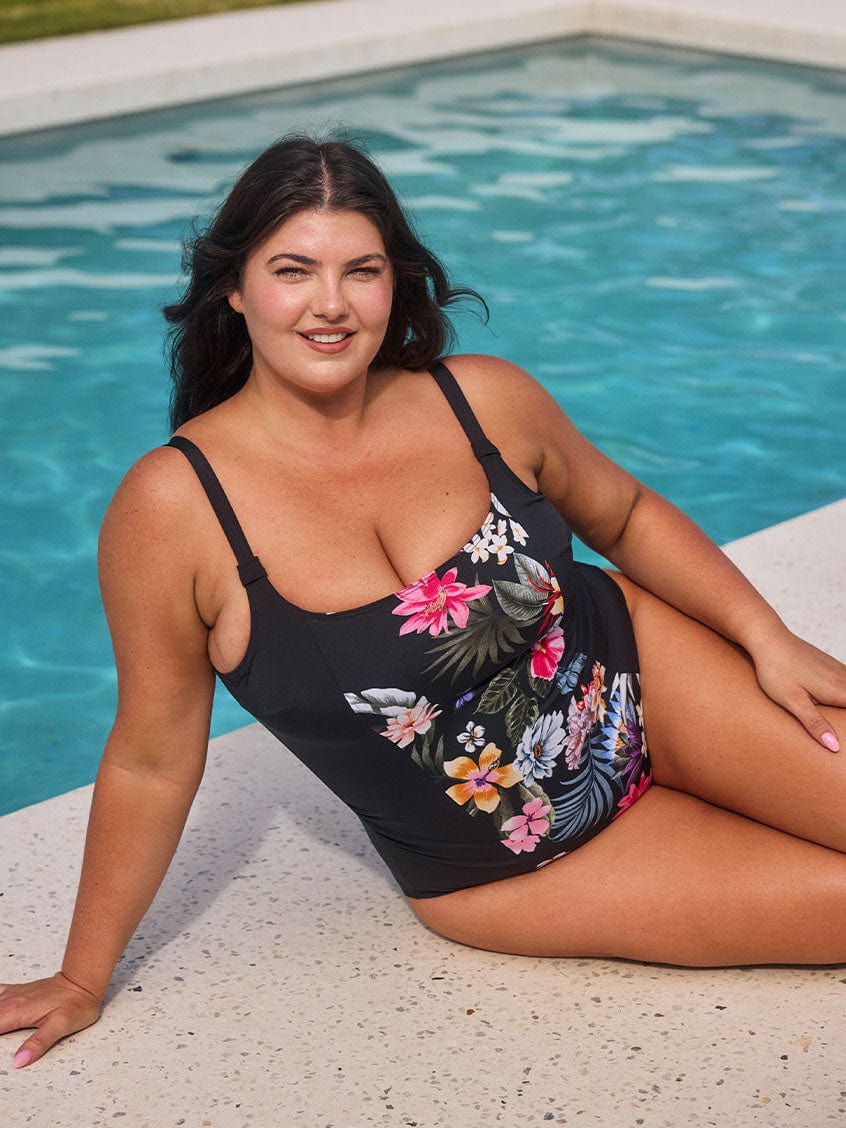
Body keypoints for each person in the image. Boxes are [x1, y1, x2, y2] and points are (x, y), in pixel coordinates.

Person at [2, 135, 844, 1071]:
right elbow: (154, 759)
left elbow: (629, 514)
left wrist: (766, 637)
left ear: (395, 283)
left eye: (361, 270)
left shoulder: (480, 400)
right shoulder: (176, 509)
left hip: (650, 683)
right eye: (293, 270)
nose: (331, 304)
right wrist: (81, 976)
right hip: (513, 860)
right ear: (234, 289)